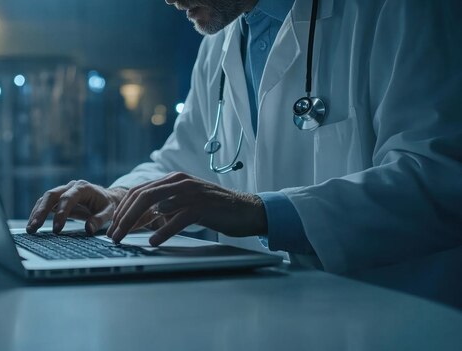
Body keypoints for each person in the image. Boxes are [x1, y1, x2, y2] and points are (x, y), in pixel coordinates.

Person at [27, 0, 462, 273]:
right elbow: (183, 160)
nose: (170, 0)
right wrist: (117, 198)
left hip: (394, 318)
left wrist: (262, 213)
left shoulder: (402, 9)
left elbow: (439, 180)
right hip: (265, 312)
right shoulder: (219, 42)